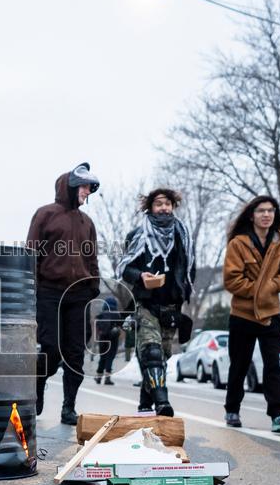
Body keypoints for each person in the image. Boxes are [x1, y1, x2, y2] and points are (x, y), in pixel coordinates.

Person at [27, 162, 101, 425]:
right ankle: (38, 383)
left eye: (89, 188)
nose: (86, 192)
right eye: (83, 186)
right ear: (70, 187)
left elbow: (92, 257)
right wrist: (31, 287)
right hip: (48, 292)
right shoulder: (45, 214)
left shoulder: (87, 222)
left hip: (79, 295)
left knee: (75, 354)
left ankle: (69, 407)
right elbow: (31, 253)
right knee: (50, 348)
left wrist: (94, 283)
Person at [222, 195, 280, 432]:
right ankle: (232, 409)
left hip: (271, 313)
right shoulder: (238, 243)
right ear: (252, 215)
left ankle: (279, 414)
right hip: (243, 315)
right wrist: (258, 291)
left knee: (273, 365)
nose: (266, 215)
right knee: (240, 365)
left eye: (271, 211)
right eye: (261, 211)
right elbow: (232, 280)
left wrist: (271, 287)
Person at [117, 189, 196, 417]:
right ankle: (162, 402)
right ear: (150, 207)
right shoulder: (137, 234)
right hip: (146, 303)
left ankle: (145, 403)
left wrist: (182, 298)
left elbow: (190, 269)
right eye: (159, 204)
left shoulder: (183, 235)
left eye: (168, 204)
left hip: (171, 306)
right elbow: (125, 267)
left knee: (161, 357)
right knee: (151, 352)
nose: (164, 208)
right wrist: (141, 276)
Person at [93, 296, 121, 385]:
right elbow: (121, 325)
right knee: (110, 358)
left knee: (102, 357)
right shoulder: (116, 314)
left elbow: (97, 325)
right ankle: (107, 378)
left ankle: (98, 377)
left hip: (102, 339)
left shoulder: (101, 315)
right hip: (113, 339)